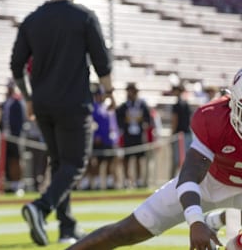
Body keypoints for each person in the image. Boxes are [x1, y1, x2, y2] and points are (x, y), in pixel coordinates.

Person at [69, 69, 242, 250]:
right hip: (210, 181)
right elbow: (190, 174)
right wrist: (196, 221)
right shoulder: (213, 118)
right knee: (126, 231)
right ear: (232, 104)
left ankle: (221, 223)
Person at [10, 0, 114, 246]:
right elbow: (102, 62)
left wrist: (29, 98)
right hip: (73, 102)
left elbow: (16, 65)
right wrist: (110, 92)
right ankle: (40, 208)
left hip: (43, 103)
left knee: (59, 164)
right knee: (76, 163)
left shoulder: (32, 19)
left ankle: (66, 226)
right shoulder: (83, 16)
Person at [116, 82, 151, 188]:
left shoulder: (142, 105)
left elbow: (148, 120)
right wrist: (125, 122)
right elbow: (118, 120)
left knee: (139, 158)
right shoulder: (123, 106)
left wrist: (142, 121)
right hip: (128, 136)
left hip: (139, 135)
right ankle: (127, 181)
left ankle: (139, 180)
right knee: (127, 159)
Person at [0, 78, 26, 194]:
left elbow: (19, 121)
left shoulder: (17, 101)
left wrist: (15, 134)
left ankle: (18, 184)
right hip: (7, 136)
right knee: (9, 160)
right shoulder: (7, 101)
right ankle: (11, 182)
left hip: (15, 136)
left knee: (17, 160)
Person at [171, 84, 193, 177]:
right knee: (185, 158)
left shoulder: (177, 105)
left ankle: (178, 177)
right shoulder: (186, 103)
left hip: (179, 135)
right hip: (187, 133)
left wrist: (172, 132)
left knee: (178, 158)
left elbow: (174, 120)